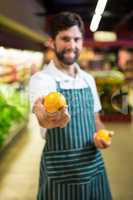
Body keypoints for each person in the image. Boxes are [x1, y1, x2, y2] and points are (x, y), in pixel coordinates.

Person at [29, 12, 113, 200]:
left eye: (76, 39)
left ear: (82, 42)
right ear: (52, 42)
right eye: (65, 39)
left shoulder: (88, 79)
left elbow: (96, 120)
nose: (72, 45)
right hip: (60, 173)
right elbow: (43, 117)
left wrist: (101, 136)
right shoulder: (42, 79)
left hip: (93, 167)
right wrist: (51, 118)